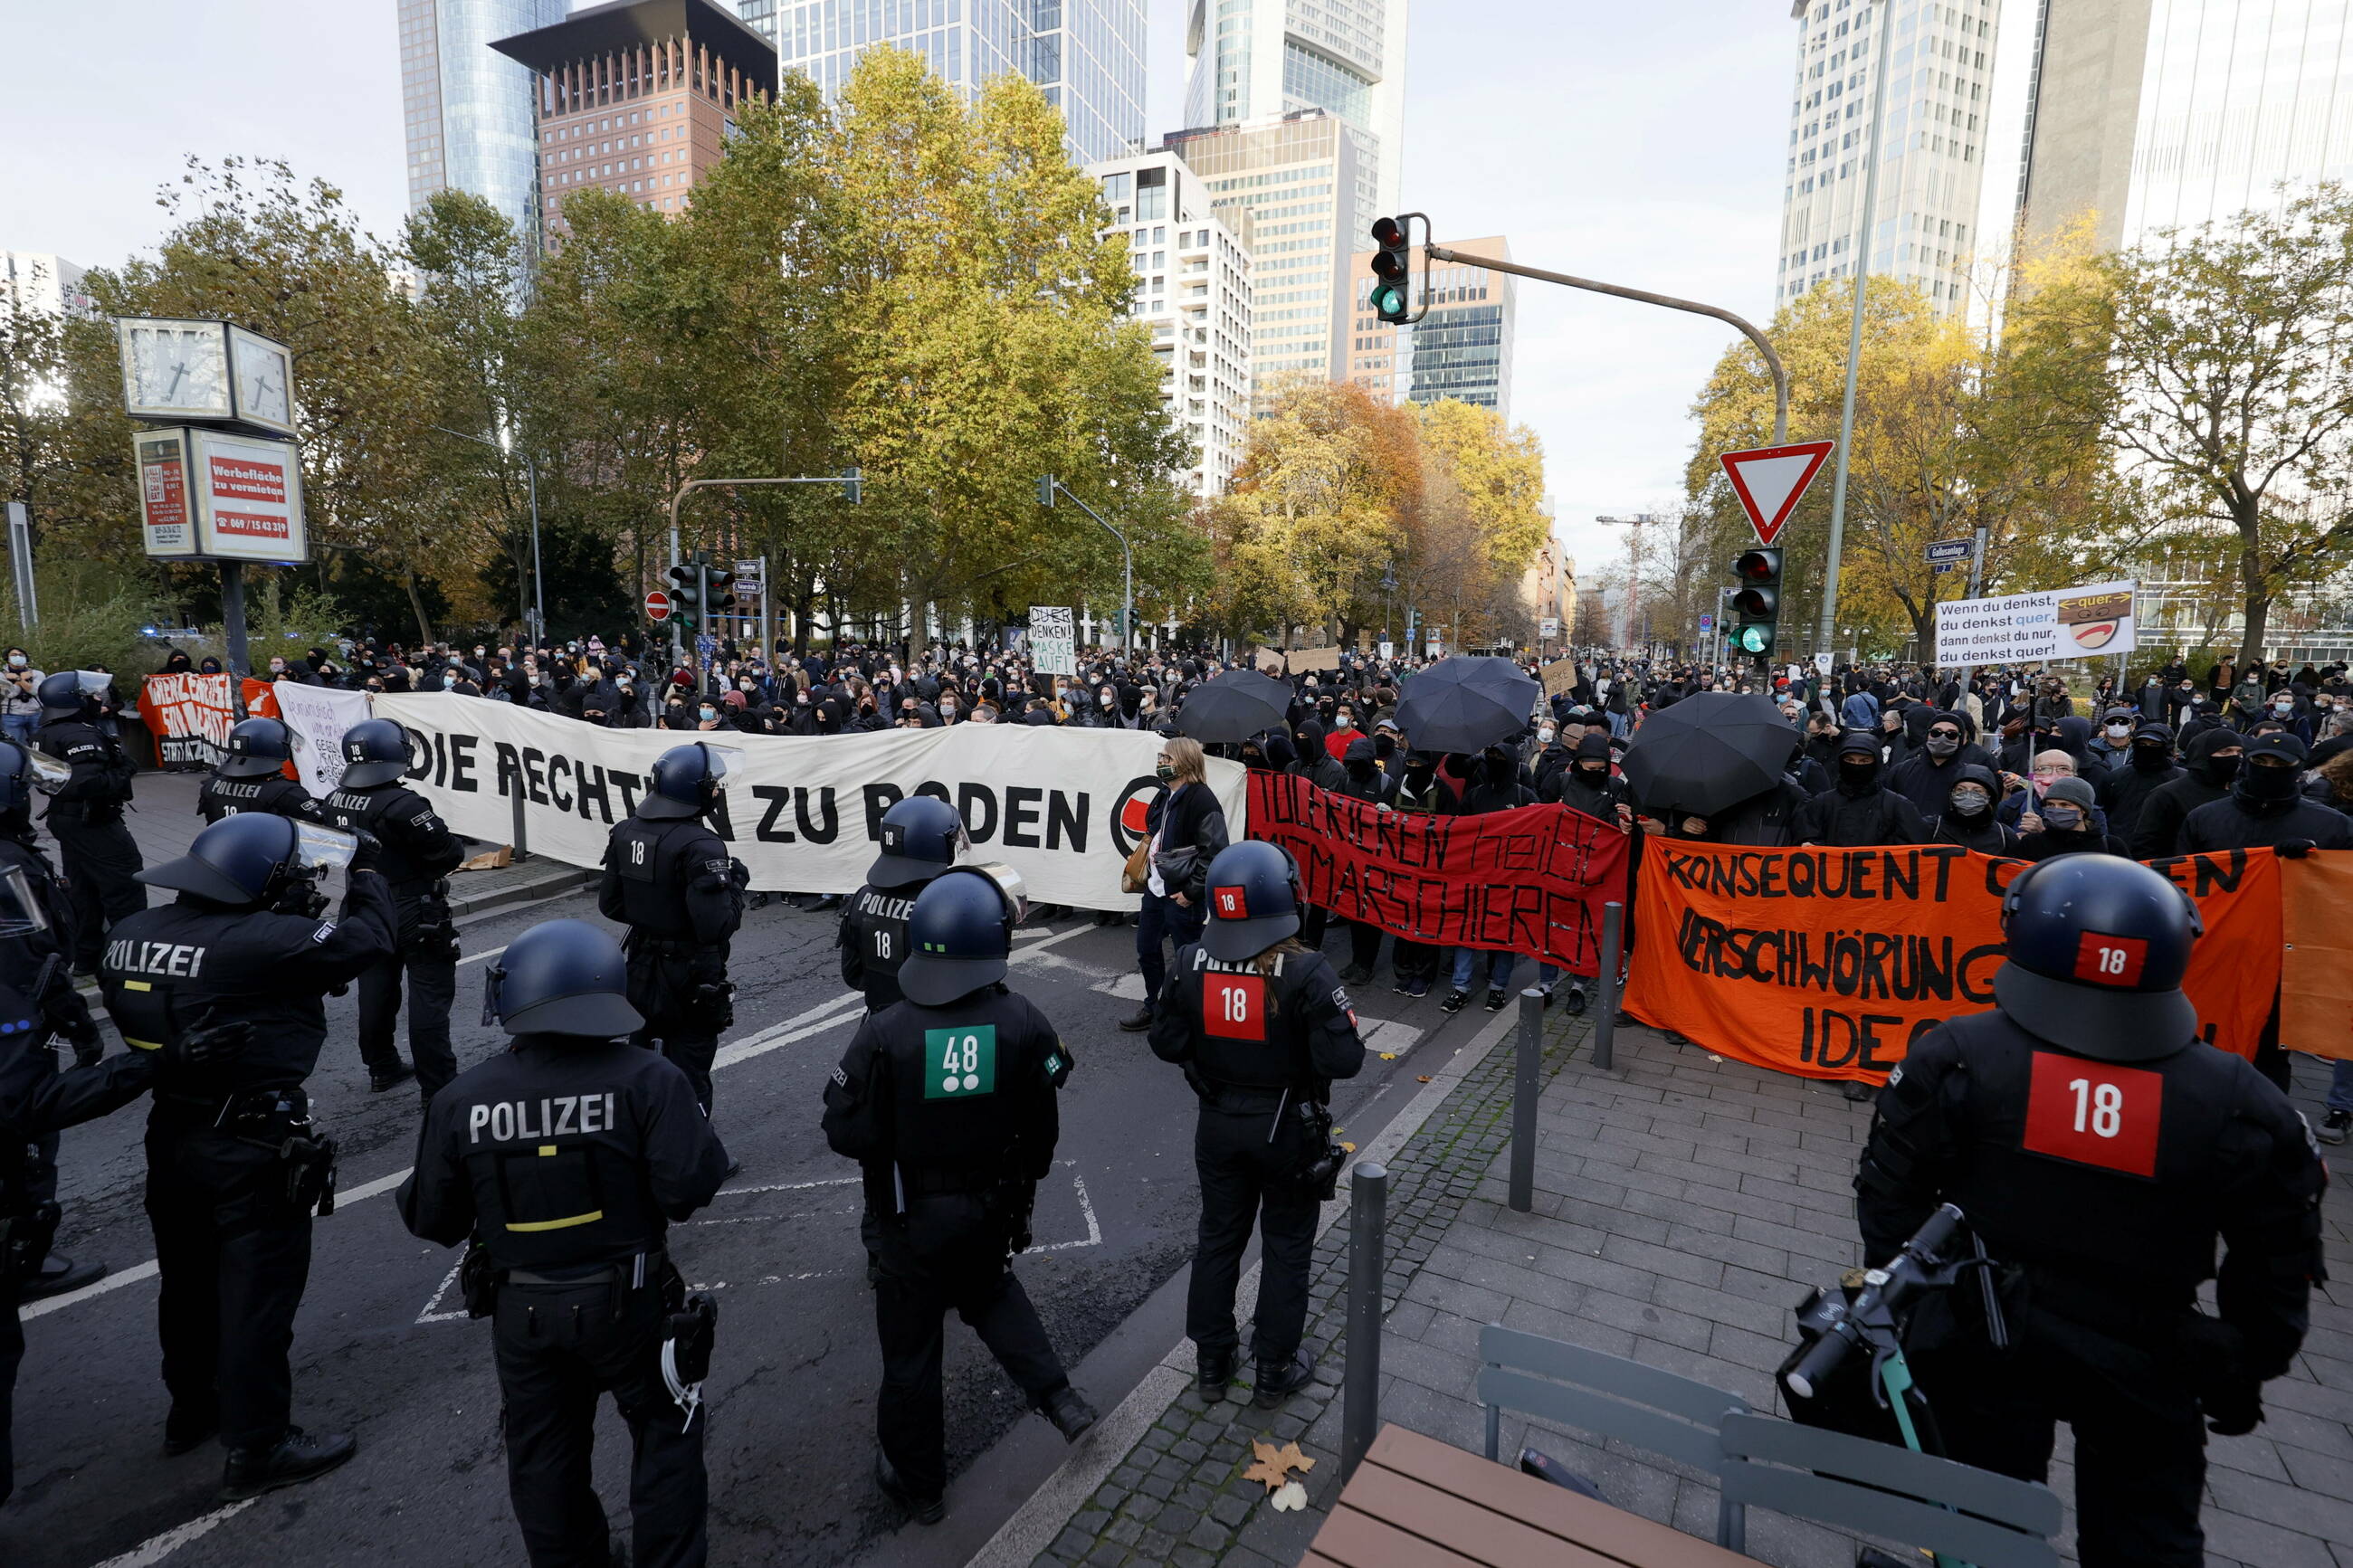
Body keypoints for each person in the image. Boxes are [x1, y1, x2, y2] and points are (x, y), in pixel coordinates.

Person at [1855, 855, 2325, 1568]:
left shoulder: (1955, 1054)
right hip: (2148, 1352)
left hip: (1988, 1332)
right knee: (2147, 1539)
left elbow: (1889, 1199)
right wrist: (2242, 1363)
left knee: (1982, 1524)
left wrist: (1916, 1306)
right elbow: (2277, 1257)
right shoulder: (2238, 1098)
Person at [397, 918, 730, 1568]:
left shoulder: (462, 1098)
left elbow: (431, 1216)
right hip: (631, 1302)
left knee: (545, 1464)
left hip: (523, 1314)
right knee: (666, 1441)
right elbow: (689, 1188)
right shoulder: (650, 1078)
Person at [98, 813, 395, 1497]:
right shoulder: (266, 939)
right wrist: (370, 872)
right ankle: (259, 1445)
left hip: (172, 1130)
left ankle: (192, 1409)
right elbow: (368, 938)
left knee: (187, 1281)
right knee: (256, 1294)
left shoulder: (130, 934)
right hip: (250, 1140)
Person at [822, 864, 1097, 1525]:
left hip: (908, 1218)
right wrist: (1024, 1177)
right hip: (989, 1207)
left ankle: (920, 1486)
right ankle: (1061, 1400)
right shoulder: (1023, 1019)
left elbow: (843, 1127)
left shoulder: (884, 1029)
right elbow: (1044, 1115)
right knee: (992, 1290)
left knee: (911, 1353)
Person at [1150, 841, 1363, 1407]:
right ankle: (1274, 1368)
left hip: (1218, 1123)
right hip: (1289, 1129)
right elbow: (1345, 1060)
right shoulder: (1306, 968)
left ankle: (1213, 1363)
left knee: (1219, 1237)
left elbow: (1165, 1042)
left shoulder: (1190, 960)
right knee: (1288, 1245)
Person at [1, 736, 120, 1312]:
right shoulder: (10, 868)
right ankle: (26, 1255)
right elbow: (39, 956)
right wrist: (76, 1022)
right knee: (25, 1138)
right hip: (13, 1027)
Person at [599, 742, 748, 1115]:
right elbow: (716, 927)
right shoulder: (701, 844)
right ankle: (692, 1154)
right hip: (691, 975)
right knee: (689, 1068)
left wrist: (654, 915)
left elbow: (611, 904)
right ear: (691, 789)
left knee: (640, 1061)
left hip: (641, 964)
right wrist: (736, 887)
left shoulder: (624, 830)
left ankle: (638, 1142)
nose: (716, 790)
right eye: (712, 784)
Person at [322, 719, 464, 1097]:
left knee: (375, 989)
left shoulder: (335, 798)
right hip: (411, 907)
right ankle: (439, 1089)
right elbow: (449, 852)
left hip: (363, 904)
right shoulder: (404, 804)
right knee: (429, 994)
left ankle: (381, 1066)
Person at [35, 670, 144, 973]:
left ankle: (86, 956)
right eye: (91, 695)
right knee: (125, 885)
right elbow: (86, 784)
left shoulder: (49, 729)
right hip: (94, 822)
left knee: (82, 891)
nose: (97, 699)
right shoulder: (80, 734)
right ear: (74, 700)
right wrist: (125, 769)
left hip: (68, 820)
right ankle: (131, 960)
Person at [1119, 736, 1227, 1034]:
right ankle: (1155, 1005)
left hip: (1181, 895)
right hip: (1156, 890)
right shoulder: (1164, 794)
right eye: (1161, 757)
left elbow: (1215, 852)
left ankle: (1192, 1016)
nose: (1161, 763)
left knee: (1187, 959)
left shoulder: (1203, 800)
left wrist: (1192, 891)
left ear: (1185, 762)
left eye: (1167, 758)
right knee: (1146, 950)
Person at [840, 795, 967, 1012]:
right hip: (936, 1029)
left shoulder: (860, 899)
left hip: (879, 1027)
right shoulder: (946, 909)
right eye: (951, 840)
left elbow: (853, 976)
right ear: (933, 846)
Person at [2177, 733, 2353, 855]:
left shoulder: (2332, 826)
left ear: (2299, 770)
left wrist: (2317, 858)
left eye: (2280, 764)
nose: (2268, 769)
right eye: (2259, 761)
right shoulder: (2204, 818)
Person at [1791, 731, 1929, 847]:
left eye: (1864, 761)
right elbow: (1807, 836)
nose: (1856, 766)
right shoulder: (1822, 803)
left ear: (1876, 763)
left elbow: (1913, 850)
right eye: (1850, 760)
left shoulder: (1898, 806)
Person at [197, 717, 329, 826]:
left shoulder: (210, 786)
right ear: (275, 748)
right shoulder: (287, 794)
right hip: (269, 855)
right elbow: (319, 827)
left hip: (221, 854)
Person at [2093, 721, 2182, 846]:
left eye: (2154, 745)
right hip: (2122, 846)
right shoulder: (2117, 776)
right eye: (2143, 744)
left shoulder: (2180, 779)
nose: (2147, 749)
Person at [2015, 774, 2129, 859]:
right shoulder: (2032, 844)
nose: (2057, 809)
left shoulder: (2111, 846)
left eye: (2065, 805)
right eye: (2050, 805)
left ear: (2083, 810)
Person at [1927, 764, 2019, 855]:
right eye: (1960, 790)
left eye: (1977, 791)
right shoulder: (1934, 827)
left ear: (1989, 796)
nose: (1968, 796)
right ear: (1951, 794)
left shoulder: (2004, 836)